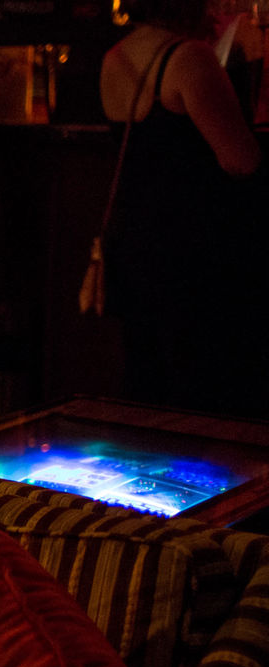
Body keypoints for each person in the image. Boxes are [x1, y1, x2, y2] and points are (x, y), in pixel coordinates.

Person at [99, 0, 268, 418]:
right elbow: (241, 160)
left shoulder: (114, 57)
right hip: (191, 246)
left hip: (131, 240)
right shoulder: (189, 58)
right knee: (201, 385)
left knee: (146, 380)